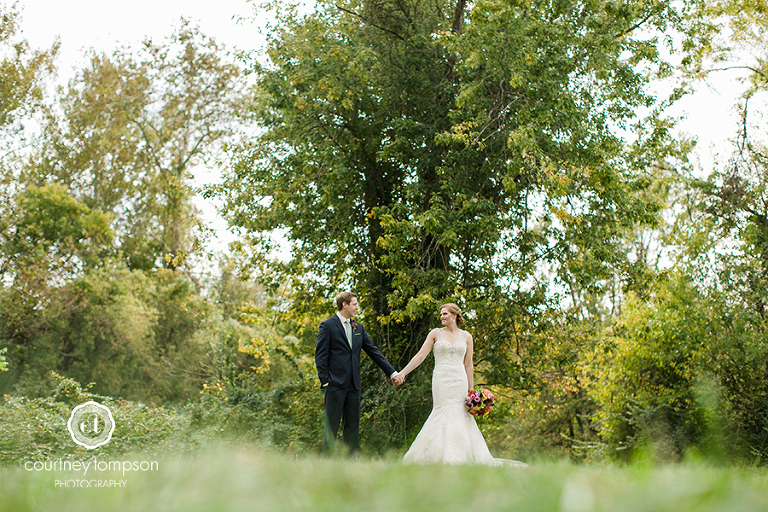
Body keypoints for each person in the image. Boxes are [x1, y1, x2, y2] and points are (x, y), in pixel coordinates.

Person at [393, 303, 526, 466]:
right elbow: (420, 356)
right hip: (441, 379)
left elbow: (468, 364)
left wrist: (472, 390)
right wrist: (403, 373)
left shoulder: (467, 337)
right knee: (441, 412)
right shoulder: (435, 334)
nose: (442, 317)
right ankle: (433, 455)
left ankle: (462, 455)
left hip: (459, 380)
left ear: (455, 315)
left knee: (460, 415)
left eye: (445, 314)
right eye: (441, 314)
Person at [315, 291, 400, 455]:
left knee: (353, 426)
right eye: (354, 304)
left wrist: (392, 373)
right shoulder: (327, 325)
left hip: (354, 385)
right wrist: (326, 381)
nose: (357, 307)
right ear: (344, 305)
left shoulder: (358, 327)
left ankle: (351, 461)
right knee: (331, 426)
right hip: (334, 385)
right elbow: (320, 356)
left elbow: (374, 352)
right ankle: (326, 463)